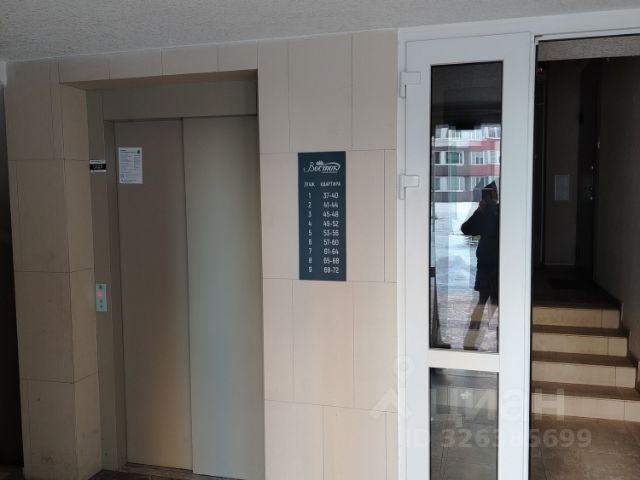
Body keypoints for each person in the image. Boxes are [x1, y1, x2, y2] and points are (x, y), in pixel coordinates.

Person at [460, 181, 499, 349]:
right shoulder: (486, 213)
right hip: (486, 266)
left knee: (491, 303)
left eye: (491, 194)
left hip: (498, 266)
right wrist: (480, 210)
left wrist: (485, 210)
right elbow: (466, 229)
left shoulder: (500, 212)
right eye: (487, 195)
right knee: (484, 302)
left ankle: (476, 341)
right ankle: (471, 341)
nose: (489, 198)